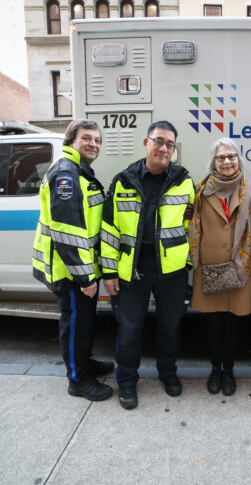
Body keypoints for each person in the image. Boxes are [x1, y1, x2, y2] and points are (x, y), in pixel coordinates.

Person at [100, 120, 195, 410]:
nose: (164, 148)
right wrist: (109, 272)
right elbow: (109, 230)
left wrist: (188, 264)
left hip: (172, 271)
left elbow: (192, 225)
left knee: (170, 327)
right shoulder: (123, 180)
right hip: (133, 268)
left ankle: (168, 375)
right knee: (129, 329)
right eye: (159, 141)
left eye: (170, 144)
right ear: (146, 143)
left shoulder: (184, 181)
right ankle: (127, 382)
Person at [32, 119, 114, 402]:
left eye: (97, 140)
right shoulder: (66, 174)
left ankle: (84, 364)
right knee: (76, 323)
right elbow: (67, 233)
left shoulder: (80, 171)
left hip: (79, 268)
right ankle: (78, 380)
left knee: (84, 322)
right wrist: (85, 277)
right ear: (70, 142)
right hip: (71, 272)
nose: (93, 144)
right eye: (87, 138)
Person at [188, 138, 251, 396]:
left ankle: (229, 371)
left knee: (232, 323)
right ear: (214, 161)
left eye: (232, 156)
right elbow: (191, 224)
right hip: (209, 267)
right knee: (213, 322)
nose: (227, 161)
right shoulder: (200, 189)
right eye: (221, 157)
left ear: (238, 159)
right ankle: (215, 369)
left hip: (239, 267)